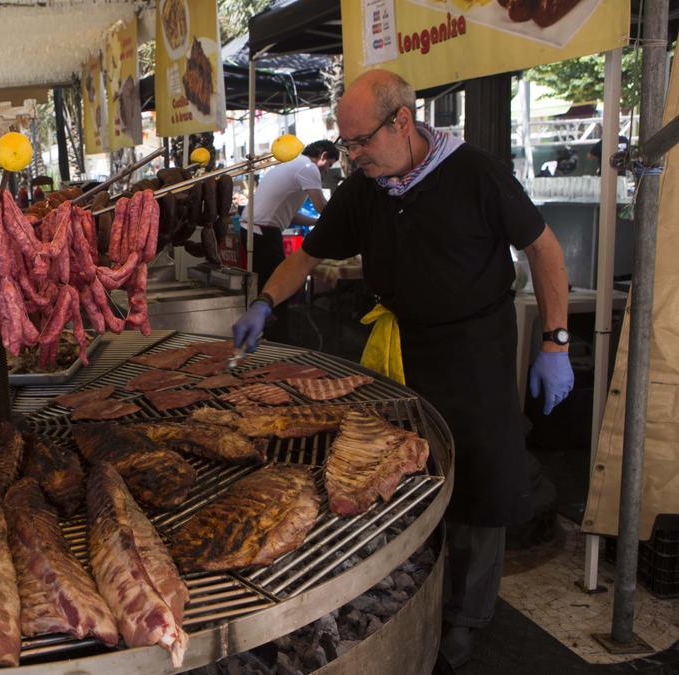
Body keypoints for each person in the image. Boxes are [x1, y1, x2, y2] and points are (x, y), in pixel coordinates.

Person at [232, 69, 574, 670]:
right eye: (345, 144)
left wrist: (556, 342)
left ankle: (470, 615)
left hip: (476, 350)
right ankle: (418, 586)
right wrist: (265, 301)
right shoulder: (366, 187)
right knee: (403, 471)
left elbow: (544, 249)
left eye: (361, 141)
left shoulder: (476, 174)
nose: (352, 155)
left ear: (402, 122)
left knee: (480, 479)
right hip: (401, 346)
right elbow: (309, 255)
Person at [250, 139, 340, 342]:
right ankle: (278, 344)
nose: (327, 171)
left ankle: (268, 338)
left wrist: (317, 222)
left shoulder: (291, 164)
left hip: (256, 232)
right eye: (330, 165)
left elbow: (291, 216)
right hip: (264, 234)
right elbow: (322, 206)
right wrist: (345, 219)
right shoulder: (309, 167)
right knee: (276, 293)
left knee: (265, 290)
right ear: (323, 156)